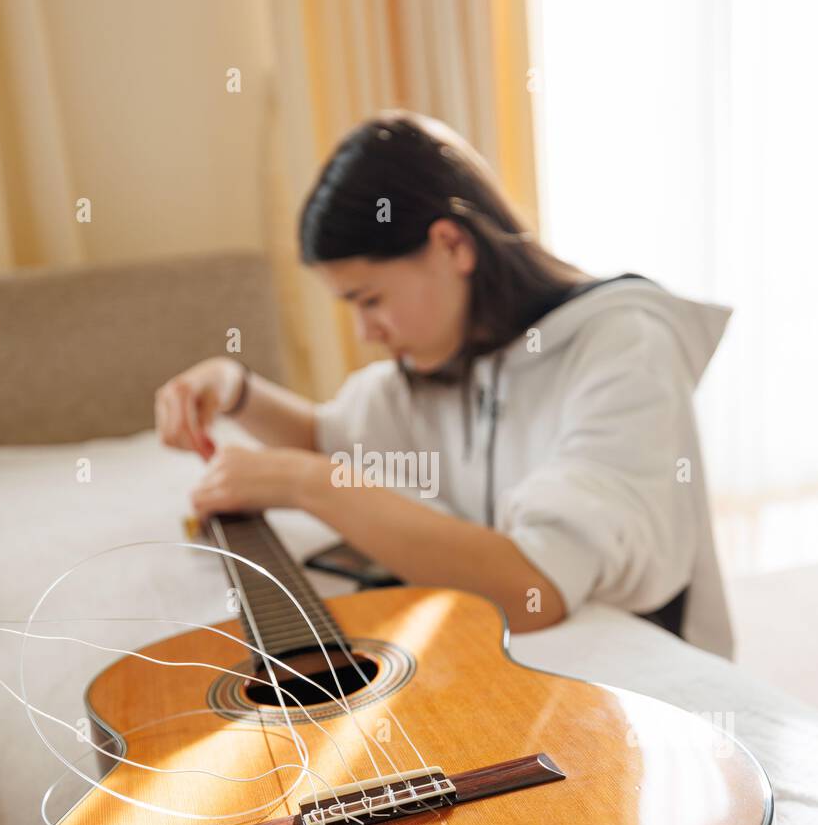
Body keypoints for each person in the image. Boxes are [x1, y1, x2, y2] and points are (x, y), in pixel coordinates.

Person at [155, 109, 733, 656]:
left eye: (370, 299)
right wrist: (233, 388)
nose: (365, 332)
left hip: (634, 684)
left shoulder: (624, 346)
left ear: (451, 245)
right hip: (511, 658)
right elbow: (328, 439)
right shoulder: (453, 353)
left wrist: (309, 485)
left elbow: (538, 587)